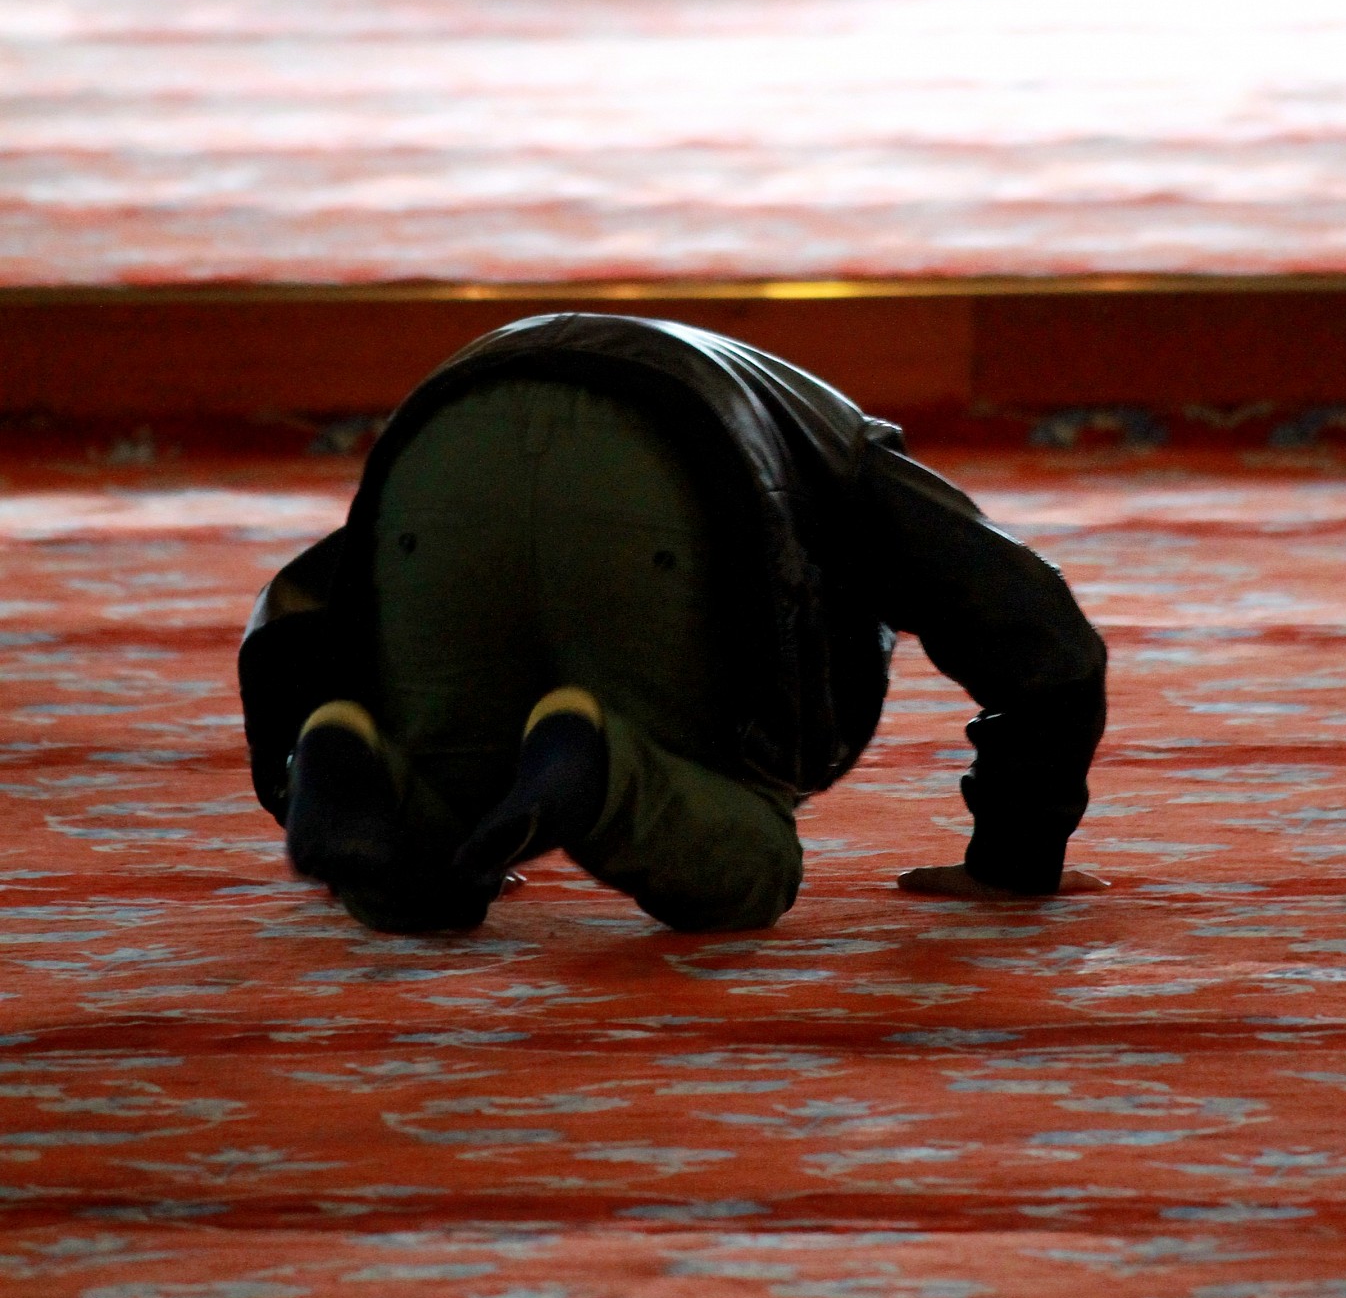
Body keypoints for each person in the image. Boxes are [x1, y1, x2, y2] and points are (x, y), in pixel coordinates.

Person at [239, 313, 1108, 936]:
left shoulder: (789, 420)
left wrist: (289, 771)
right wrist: (1015, 859)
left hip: (441, 452)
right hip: (657, 487)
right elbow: (1037, 631)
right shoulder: (842, 446)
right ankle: (604, 764)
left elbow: (300, 607)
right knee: (745, 878)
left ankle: (354, 764)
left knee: (430, 849)